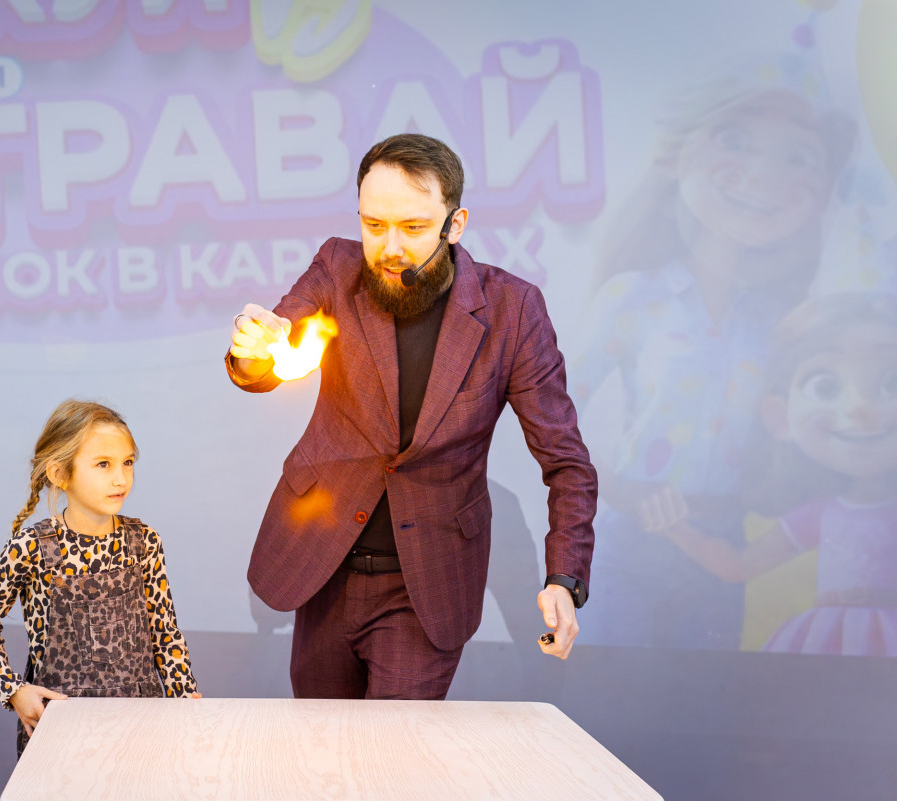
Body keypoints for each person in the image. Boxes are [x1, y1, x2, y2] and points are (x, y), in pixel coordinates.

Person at [225, 133, 597, 700]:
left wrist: (564, 579)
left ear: (455, 224)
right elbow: (270, 353)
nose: (390, 247)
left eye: (414, 227)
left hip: (426, 581)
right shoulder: (336, 265)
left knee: (394, 749)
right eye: (374, 225)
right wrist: (253, 347)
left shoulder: (513, 310)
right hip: (324, 563)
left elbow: (567, 462)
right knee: (320, 745)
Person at [569, 77, 853, 649]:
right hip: (634, 531)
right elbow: (551, 409)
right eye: (737, 140)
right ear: (677, 156)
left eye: (797, 158)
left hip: (721, 540)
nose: (764, 176)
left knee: (704, 689)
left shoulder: (777, 321)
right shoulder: (636, 297)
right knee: (611, 685)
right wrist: (619, 489)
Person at [647, 293, 897, 656]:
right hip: (826, 640)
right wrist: (677, 528)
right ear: (780, 418)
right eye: (825, 386)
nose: (860, 408)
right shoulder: (820, 512)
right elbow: (739, 565)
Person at [0, 399, 199, 755]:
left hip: (141, 727)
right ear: (60, 474)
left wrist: (185, 698)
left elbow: (164, 634)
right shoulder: (32, 546)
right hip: (60, 730)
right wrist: (13, 690)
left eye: (127, 462)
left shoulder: (144, 541)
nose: (121, 478)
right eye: (103, 464)